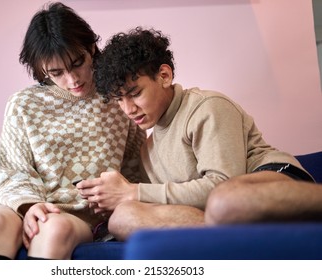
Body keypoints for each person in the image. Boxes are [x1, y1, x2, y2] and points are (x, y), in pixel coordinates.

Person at [76, 27, 315, 241]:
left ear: (164, 76)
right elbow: (178, 203)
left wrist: (133, 191)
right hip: (221, 214)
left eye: (135, 93)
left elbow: (223, 184)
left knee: (226, 200)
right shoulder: (147, 150)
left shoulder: (207, 106)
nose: (128, 109)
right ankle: (236, 242)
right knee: (123, 217)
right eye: (119, 100)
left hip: (271, 180)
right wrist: (120, 200)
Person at [0, 3, 146, 260]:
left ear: (92, 48)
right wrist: (31, 207)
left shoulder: (117, 96)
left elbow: (135, 167)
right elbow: (12, 171)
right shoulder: (23, 104)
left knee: (53, 228)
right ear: (41, 68)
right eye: (57, 72)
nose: (72, 79)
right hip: (28, 204)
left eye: (78, 63)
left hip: (80, 216)